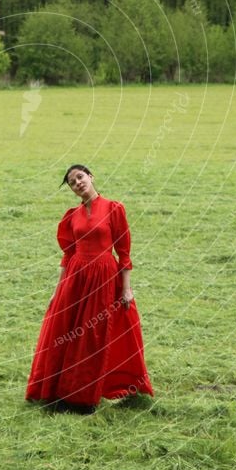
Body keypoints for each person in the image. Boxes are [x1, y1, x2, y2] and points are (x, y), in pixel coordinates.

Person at [25, 164, 154, 414]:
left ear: (91, 177)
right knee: (67, 332)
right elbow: (68, 255)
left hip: (104, 277)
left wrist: (126, 289)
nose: (78, 183)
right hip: (75, 278)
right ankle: (61, 393)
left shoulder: (113, 209)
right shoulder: (71, 216)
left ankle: (85, 398)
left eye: (80, 177)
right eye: (72, 182)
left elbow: (124, 251)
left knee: (94, 336)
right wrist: (58, 289)